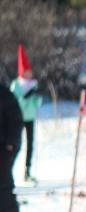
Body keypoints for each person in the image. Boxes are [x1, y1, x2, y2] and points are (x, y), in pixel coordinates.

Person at [10, 45, 43, 183]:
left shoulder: (33, 84)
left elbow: (37, 105)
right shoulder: (16, 85)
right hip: (18, 119)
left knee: (30, 145)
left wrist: (37, 96)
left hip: (30, 118)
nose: (29, 74)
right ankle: (9, 171)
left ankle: (27, 171)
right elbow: (17, 104)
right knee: (16, 144)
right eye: (27, 72)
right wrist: (27, 96)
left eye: (30, 72)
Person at [1, 84, 23, 212]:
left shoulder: (4, 94)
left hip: (2, 154)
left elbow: (16, 121)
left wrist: (10, 146)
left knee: (5, 197)